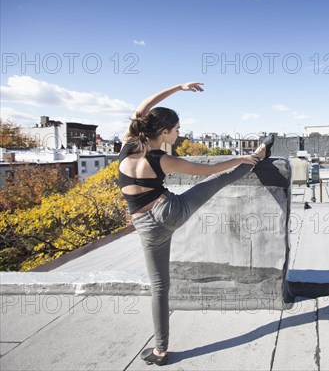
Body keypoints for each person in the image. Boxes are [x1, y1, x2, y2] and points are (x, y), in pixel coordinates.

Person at [117, 82, 274, 366]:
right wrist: (241, 157)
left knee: (159, 286)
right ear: (164, 132)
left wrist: (177, 88)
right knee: (217, 182)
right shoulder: (163, 159)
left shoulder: (128, 143)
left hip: (144, 225)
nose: (179, 134)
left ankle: (160, 351)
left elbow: (143, 106)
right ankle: (258, 157)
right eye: (176, 130)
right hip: (170, 212)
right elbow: (211, 170)